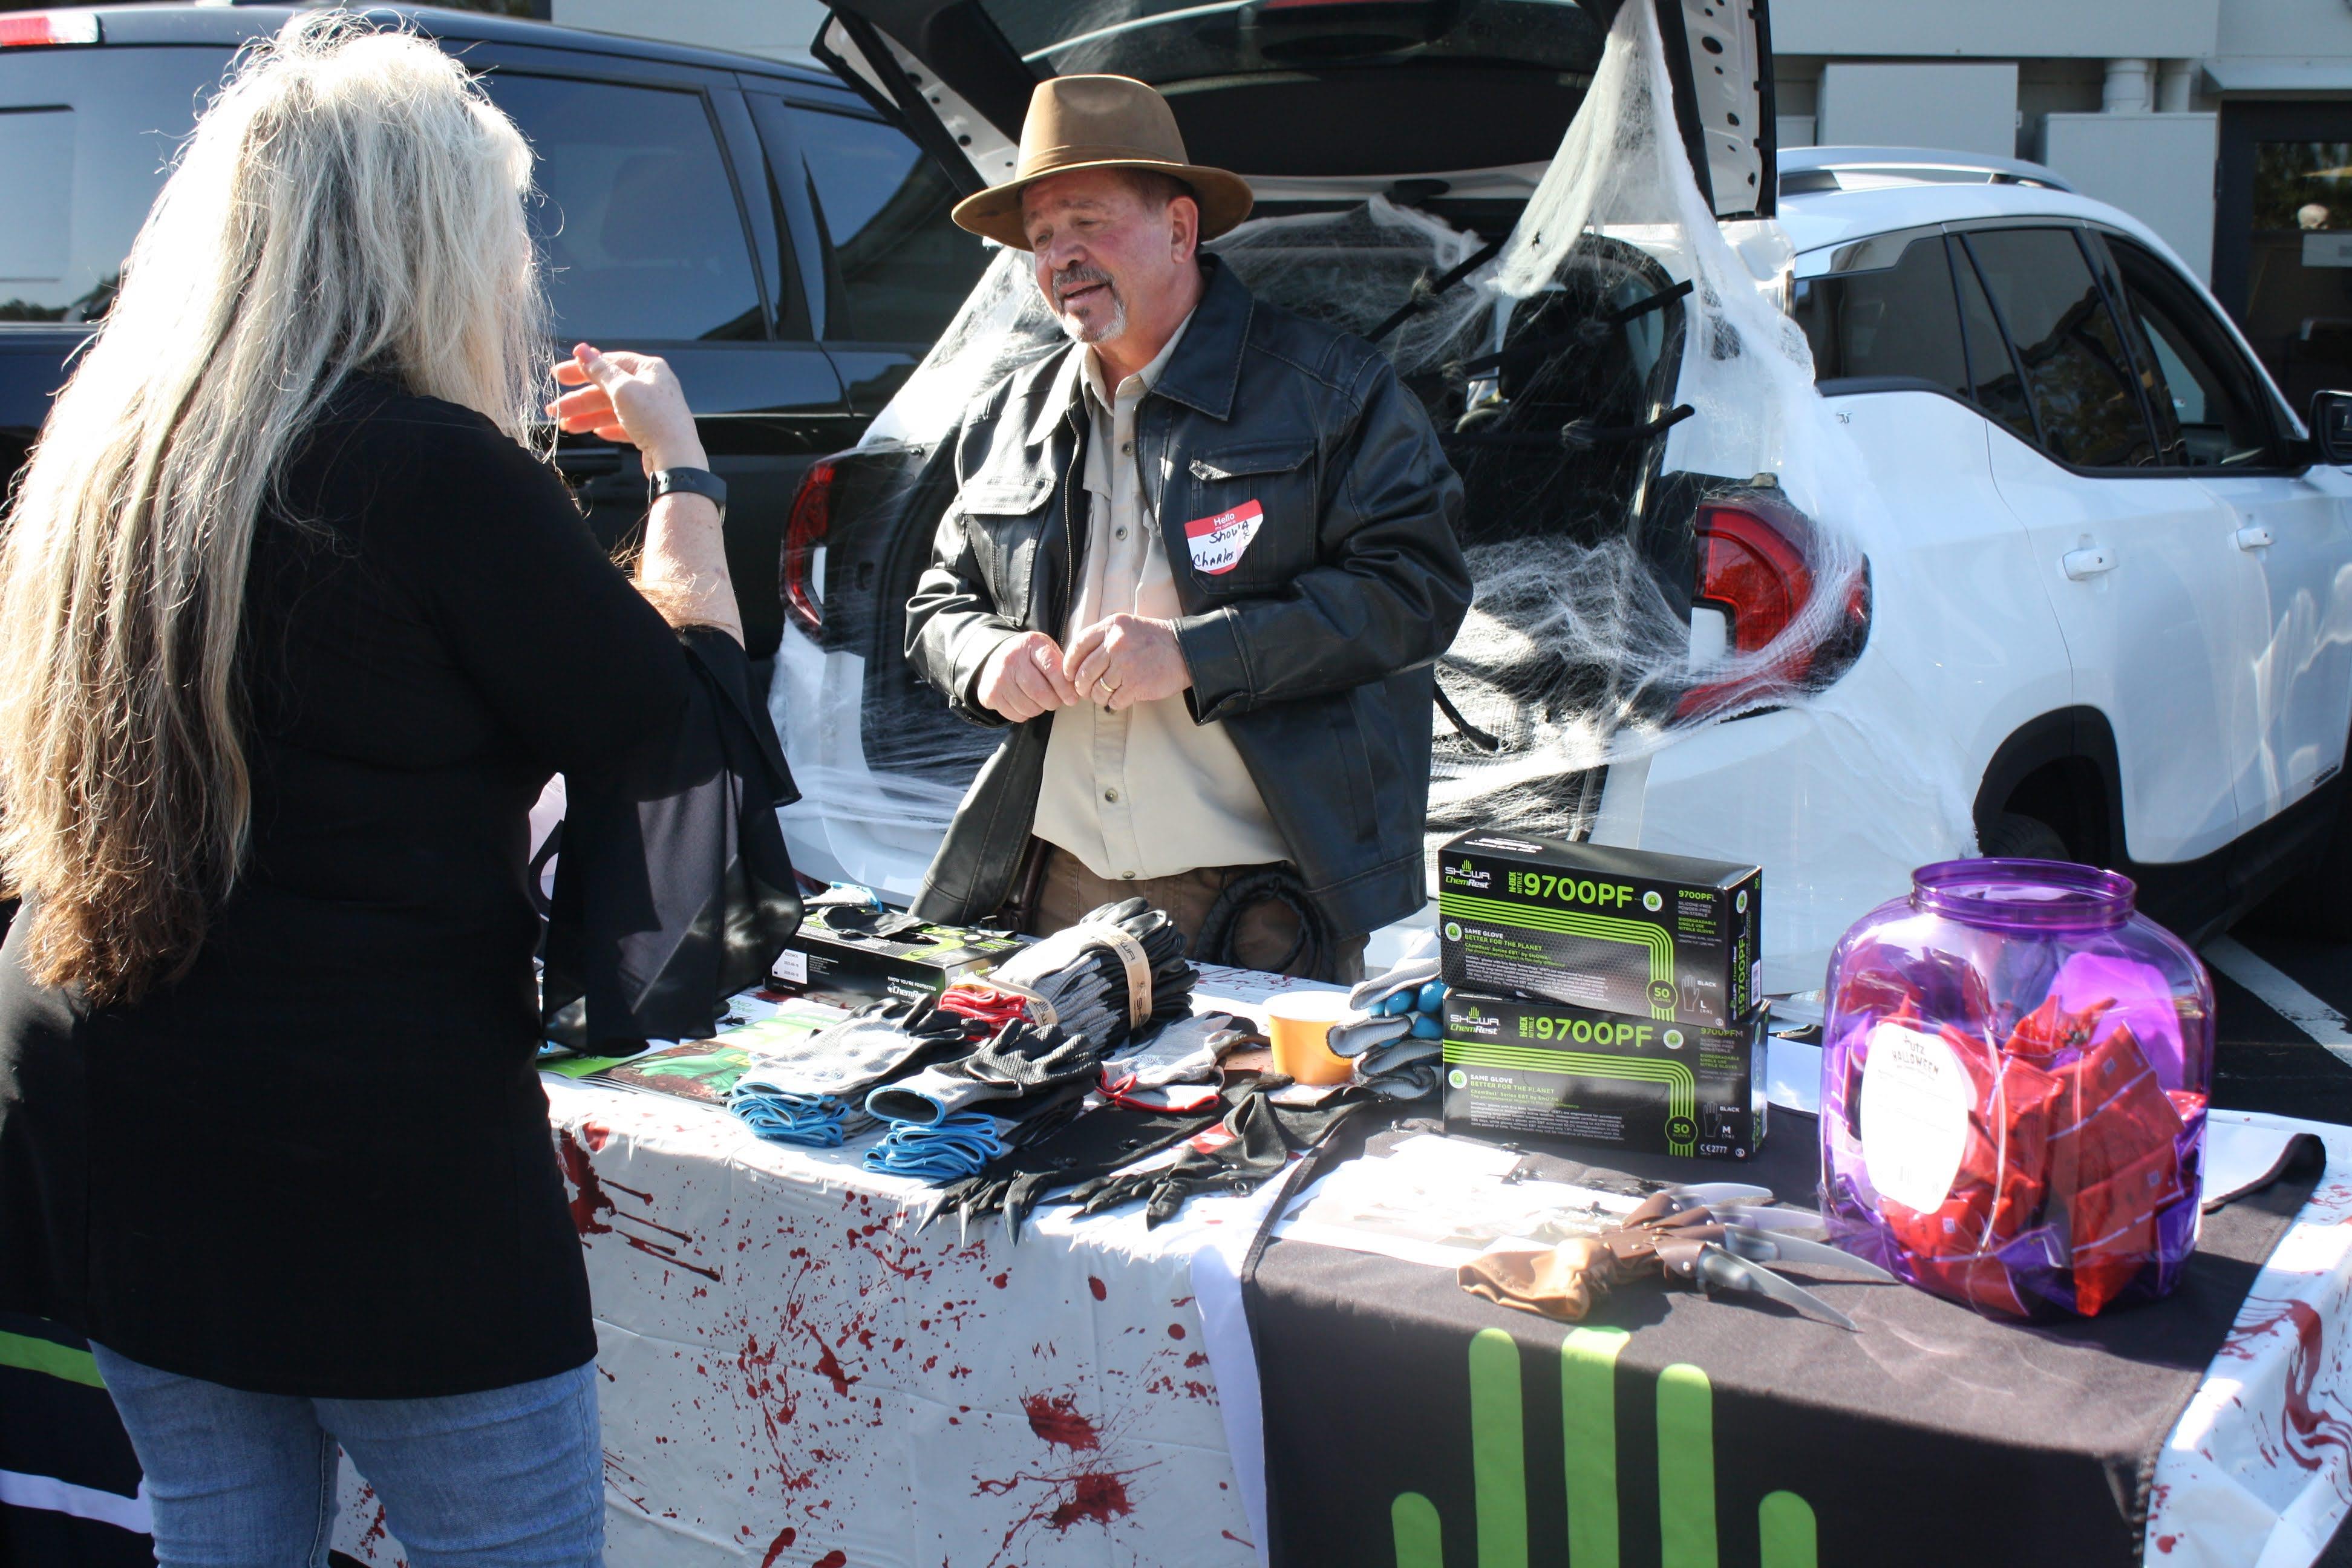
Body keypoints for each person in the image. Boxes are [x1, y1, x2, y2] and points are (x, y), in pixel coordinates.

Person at [0, 17, 788, 1565]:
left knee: (228, 1538)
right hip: (359, 1139)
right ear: (424, 234)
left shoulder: (116, 452)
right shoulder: (423, 466)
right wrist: (681, 476)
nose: (516, 259)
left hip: (106, 1088)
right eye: (500, 220)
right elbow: (677, 720)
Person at [905, 74, 1472, 982]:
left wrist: (1194, 655)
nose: (1061, 257)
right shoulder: (1006, 417)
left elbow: (1415, 591)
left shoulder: (1333, 390)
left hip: (1258, 902)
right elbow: (938, 603)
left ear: (1180, 229)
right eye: (1042, 237)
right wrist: (982, 658)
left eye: (1087, 223)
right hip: (1052, 888)